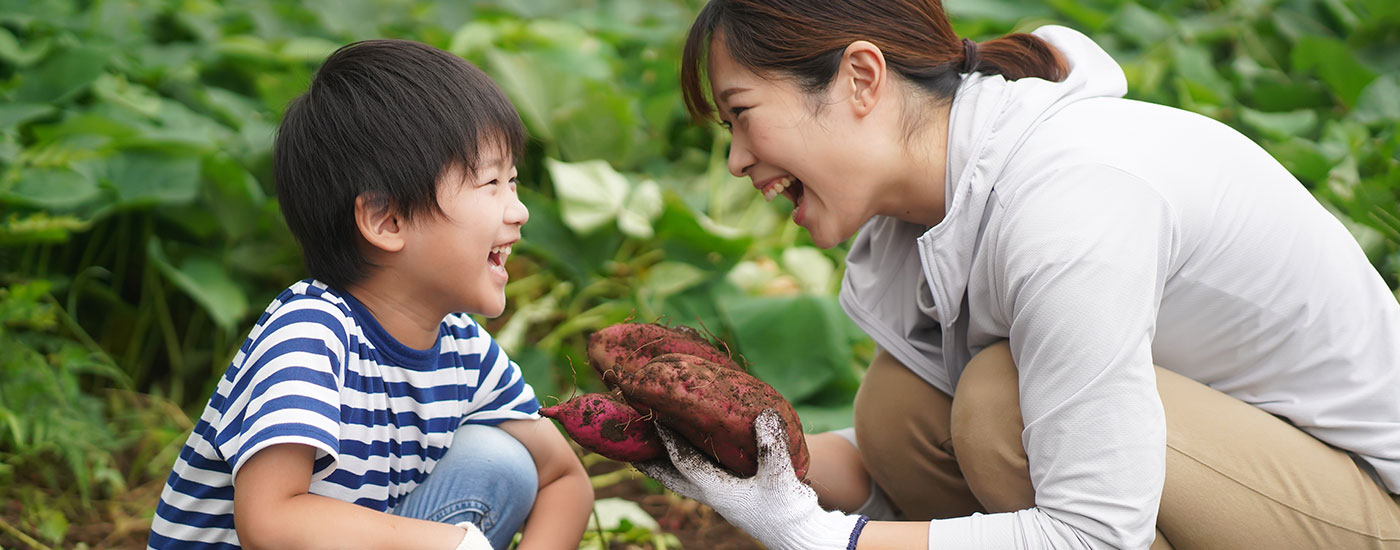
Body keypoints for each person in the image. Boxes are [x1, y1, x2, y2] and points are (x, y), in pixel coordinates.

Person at [636, 1, 1400, 549]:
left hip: (1363, 505)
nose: (736, 159)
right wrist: (757, 456)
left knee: (1002, 406)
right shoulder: (925, 214)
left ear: (861, 78)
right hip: (1225, 468)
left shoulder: (1071, 197)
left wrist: (830, 540)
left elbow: (1096, 531)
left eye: (740, 113)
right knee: (901, 413)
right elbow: (888, 462)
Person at [147, 39, 594, 550]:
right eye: (490, 182)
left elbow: (564, 480)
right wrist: (455, 545)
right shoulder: (310, 334)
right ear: (387, 220)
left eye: (513, 182)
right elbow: (269, 520)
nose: (518, 211)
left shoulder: (463, 348)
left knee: (502, 462)